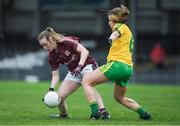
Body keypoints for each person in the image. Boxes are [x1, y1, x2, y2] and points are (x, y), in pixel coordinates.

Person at [82, 5, 152, 120]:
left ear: (116, 20)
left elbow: (116, 33)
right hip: (128, 68)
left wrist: (111, 38)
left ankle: (95, 113)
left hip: (117, 65)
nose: (109, 23)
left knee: (86, 81)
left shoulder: (121, 26)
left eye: (110, 20)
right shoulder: (127, 31)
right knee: (119, 98)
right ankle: (144, 114)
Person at [37, 27, 110, 120]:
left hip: (87, 65)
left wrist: (79, 66)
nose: (44, 48)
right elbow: (55, 76)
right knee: (58, 98)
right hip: (74, 72)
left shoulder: (66, 41)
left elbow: (85, 51)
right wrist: (51, 90)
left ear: (51, 39)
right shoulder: (51, 57)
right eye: (42, 46)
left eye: (45, 44)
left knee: (87, 84)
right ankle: (63, 115)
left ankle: (103, 112)